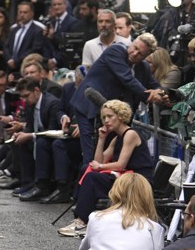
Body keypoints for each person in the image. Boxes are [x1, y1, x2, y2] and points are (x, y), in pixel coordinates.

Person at [60, 99, 156, 238]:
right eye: (104, 117)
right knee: (86, 168)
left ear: (121, 116)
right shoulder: (116, 138)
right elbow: (99, 161)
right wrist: (101, 139)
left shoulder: (131, 134)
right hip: (125, 177)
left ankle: (82, 222)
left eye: (110, 116)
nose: (106, 120)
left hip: (138, 181)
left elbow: (120, 164)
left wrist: (100, 166)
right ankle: (81, 215)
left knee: (93, 178)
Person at [69, 35, 161, 166]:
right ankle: (86, 181)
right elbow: (127, 79)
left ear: (146, 56)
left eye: (140, 53)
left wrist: (159, 92)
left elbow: (155, 85)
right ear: (132, 43)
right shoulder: (116, 51)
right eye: (134, 48)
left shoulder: (143, 67)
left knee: (108, 155)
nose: (135, 54)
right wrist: (149, 96)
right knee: (90, 155)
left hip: (114, 114)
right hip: (89, 105)